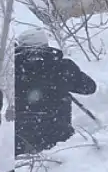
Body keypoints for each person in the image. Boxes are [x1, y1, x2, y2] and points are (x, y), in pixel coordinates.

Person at [14, 27, 97, 155]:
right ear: (45, 45)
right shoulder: (62, 67)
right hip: (58, 142)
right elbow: (90, 87)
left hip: (20, 142)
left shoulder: (14, 69)